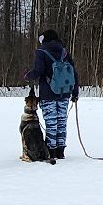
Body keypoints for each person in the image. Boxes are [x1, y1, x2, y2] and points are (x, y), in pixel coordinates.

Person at [27, 29, 79, 159]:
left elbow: (38, 70)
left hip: (48, 94)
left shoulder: (41, 52)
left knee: (51, 123)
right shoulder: (64, 52)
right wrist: (75, 92)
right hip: (64, 93)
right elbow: (74, 73)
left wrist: (28, 75)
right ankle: (60, 151)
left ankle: (51, 150)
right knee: (62, 122)